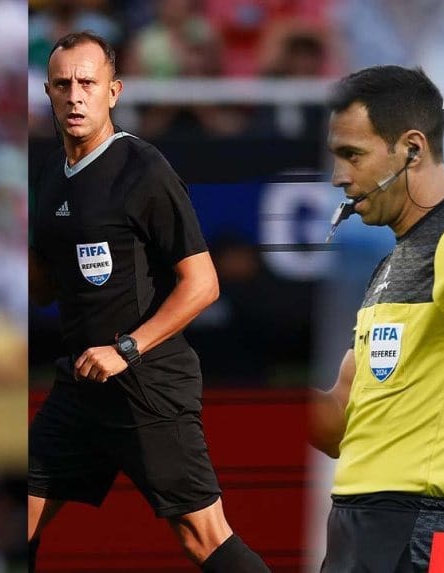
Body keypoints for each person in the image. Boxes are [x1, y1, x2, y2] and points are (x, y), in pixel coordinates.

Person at [27, 31, 270, 572]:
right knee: (16, 518)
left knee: (203, 537)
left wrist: (128, 349)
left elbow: (203, 283)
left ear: (113, 91)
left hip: (146, 380)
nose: (75, 96)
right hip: (81, 384)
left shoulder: (142, 167)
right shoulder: (48, 172)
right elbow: (44, 287)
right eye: (63, 84)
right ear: (47, 91)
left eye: (87, 83)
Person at [310, 65, 444, 571]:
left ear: (412, 149)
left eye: (352, 154)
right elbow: (340, 422)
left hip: (426, 524)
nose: (339, 176)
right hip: (361, 522)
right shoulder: (389, 266)